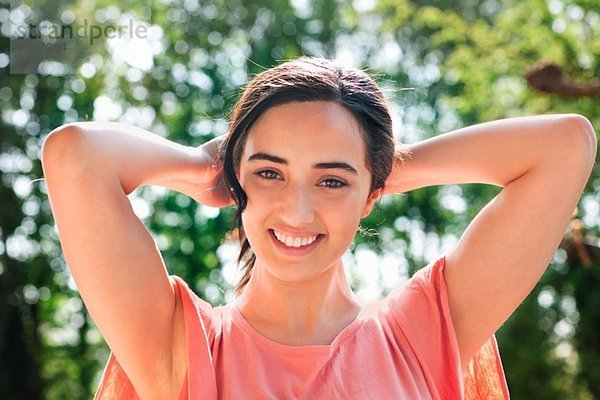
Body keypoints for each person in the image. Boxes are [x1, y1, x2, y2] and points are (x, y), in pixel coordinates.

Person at [41, 57, 597, 400]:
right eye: (269, 173)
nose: (297, 211)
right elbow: (74, 155)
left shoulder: (422, 333)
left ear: (370, 197)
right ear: (239, 181)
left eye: (331, 182)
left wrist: (379, 168)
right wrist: (203, 170)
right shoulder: (182, 349)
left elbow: (566, 143)